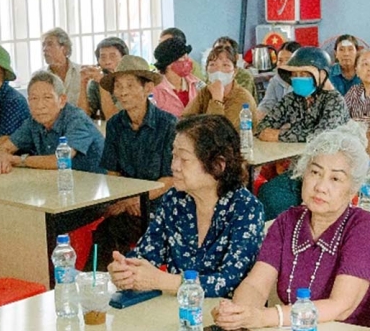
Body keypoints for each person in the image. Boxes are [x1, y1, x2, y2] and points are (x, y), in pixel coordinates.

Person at [215, 123, 370, 330]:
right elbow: (256, 284)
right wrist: (240, 312)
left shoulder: (363, 226)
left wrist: (264, 317)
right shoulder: (288, 221)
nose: (321, 187)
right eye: (314, 172)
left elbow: (341, 307)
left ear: (352, 190)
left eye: (335, 178)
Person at [107, 115, 264, 298]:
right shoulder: (176, 199)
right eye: (173, 156)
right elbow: (147, 252)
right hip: (177, 310)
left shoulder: (246, 209)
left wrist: (162, 281)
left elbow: (229, 281)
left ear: (218, 165)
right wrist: (126, 269)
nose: (174, 166)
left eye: (184, 159)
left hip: (223, 316)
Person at [98, 55, 176, 252]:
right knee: (105, 227)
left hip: (160, 203)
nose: (122, 92)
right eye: (118, 86)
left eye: (130, 85)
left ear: (148, 88)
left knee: (113, 231)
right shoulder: (115, 124)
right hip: (125, 202)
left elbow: (169, 179)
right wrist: (123, 201)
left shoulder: (168, 124)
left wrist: (136, 200)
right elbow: (112, 174)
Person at [0, 71, 104, 174]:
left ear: (62, 101)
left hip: (98, 185)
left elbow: (60, 160)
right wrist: (1, 156)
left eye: (47, 98)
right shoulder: (33, 121)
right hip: (58, 181)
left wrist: (20, 160)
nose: (40, 106)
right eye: (34, 99)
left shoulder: (76, 119)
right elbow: (5, 147)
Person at [257, 46, 350, 143]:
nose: (297, 78)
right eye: (294, 75)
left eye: (304, 74)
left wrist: (280, 135)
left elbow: (324, 134)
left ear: (322, 75)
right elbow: (263, 127)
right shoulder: (291, 99)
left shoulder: (335, 101)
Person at [183, 42, 258, 126]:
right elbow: (185, 120)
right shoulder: (205, 92)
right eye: (212, 64)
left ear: (235, 72)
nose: (218, 70)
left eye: (225, 65)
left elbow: (220, 131)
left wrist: (217, 99)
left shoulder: (243, 97)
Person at [151, 35, 202, 118]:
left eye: (187, 56)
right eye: (183, 58)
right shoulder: (154, 88)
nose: (188, 61)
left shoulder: (197, 84)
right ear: (169, 63)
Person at [81, 36, 128, 121]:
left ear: (124, 58)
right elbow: (83, 118)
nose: (107, 62)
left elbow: (113, 118)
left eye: (113, 56)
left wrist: (102, 83)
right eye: (103, 57)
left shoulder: (131, 82)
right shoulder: (95, 83)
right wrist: (83, 84)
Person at [40, 28, 85, 115]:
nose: (44, 49)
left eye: (50, 44)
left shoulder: (81, 73)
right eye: (43, 45)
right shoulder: (39, 77)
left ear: (64, 48)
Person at [259, 41, 301, 113]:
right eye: (280, 60)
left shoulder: (305, 82)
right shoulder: (276, 80)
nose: (283, 64)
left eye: (288, 60)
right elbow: (266, 105)